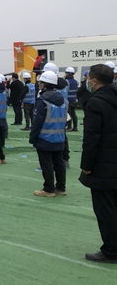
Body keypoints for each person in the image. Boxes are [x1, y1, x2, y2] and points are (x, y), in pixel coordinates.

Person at [80, 64, 117, 264]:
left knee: (106, 210)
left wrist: (86, 166)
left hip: (104, 164)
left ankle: (111, 251)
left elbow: (92, 138)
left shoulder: (96, 102)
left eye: (88, 78)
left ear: (94, 81)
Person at [29, 71, 67, 197]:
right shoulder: (63, 100)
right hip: (60, 137)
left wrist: (33, 138)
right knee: (59, 163)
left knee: (46, 165)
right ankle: (61, 188)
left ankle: (49, 189)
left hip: (45, 138)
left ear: (44, 84)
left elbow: (37, 122)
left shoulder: (42, 101)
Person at [65, 67, 79, 131]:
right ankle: (75, 127)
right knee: (73, 114)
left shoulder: (66, 81)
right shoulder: (76, 82)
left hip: (68, 100)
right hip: (74, 100)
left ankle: (69, 127)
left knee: (68, 114)